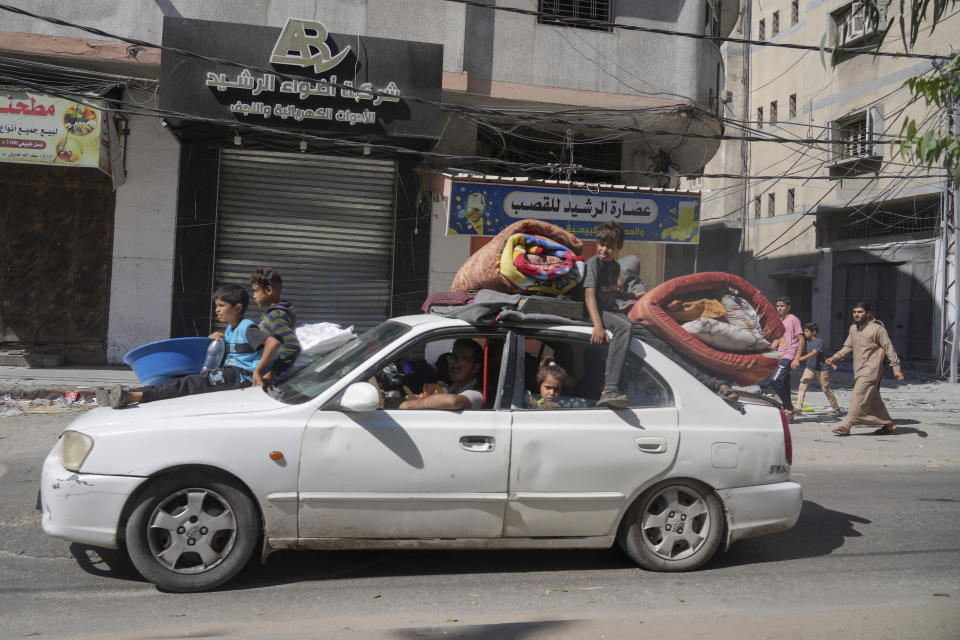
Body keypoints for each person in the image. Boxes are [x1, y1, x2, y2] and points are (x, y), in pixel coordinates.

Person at [96, 284, 272, 409]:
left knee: (189, 384)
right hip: (229, 373)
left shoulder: (247, 327)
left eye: (221, 306)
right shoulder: (230, 329)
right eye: (216, 306)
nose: (217, 310)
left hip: (239, 376)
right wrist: (220, 336)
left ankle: (132, 396)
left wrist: (258, 371)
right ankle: (125, 393)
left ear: (237, 307)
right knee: (181, 380)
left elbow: (273, 343)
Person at [825, 301, 904, 436]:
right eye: (855, 312)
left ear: (868, 313)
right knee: (874, 400)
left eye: (860, 312)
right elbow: (848, 347)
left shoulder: (877, 329)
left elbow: (888, 348)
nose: (856, 314)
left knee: (857, 396)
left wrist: (896, 368)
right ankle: (889, 424)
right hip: (859, 370)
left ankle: (847, 425)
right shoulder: (853, 329)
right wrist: (834, 357)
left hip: (871, 370)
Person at [582, 221, 633, 408]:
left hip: (609, 310)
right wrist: (598, 325)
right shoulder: (593, 264)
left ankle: (623, 382)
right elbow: (589, 295)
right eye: (601, 244)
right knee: (624, 327)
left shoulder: (615, 267)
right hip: (595, 312)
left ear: (619, 248)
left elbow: (611, 292)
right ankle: (610, 388)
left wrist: (631, 295)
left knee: (637, 327)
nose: (604, 249)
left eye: (610, 247)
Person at [249, 266, 301, 386]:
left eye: (256, 291)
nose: (254, 296)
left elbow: (292, 345)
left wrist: (272, 372)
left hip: (270, 381)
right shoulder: (275, 313)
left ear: (268, 290)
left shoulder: (275, 316)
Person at [399, 338, 484, 410]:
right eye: (453, 358)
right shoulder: (449, 388)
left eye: (463, 359)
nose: (455, 364)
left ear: (475, 367)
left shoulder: (476, 394)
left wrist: (408, 405)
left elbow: (454, 402)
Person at [768, 296, 805, 420]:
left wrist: (796, 359)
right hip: (780, 354)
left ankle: (789, 408)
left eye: (782, 306)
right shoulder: (780, 320)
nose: (779, 308)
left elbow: (802, 340)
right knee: (784, 383)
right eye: (778, 306)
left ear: (788, 307)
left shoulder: (793, 319)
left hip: (789, 355)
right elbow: (778, 339)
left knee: (774, 380)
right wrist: (769, 350)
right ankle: (789, 411)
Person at [795, 322, 841, 417]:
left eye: (807, 331)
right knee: (802, 386)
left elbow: (815, 353)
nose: (805, 333)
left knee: (826, 389)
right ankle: (798, 408)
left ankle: (836, 409)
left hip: (821, 369)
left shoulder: (818, 341)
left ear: (814, 332)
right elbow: (822, 356)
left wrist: (801, 358)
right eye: (804, 331)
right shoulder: (808, 341)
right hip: (810, 368)